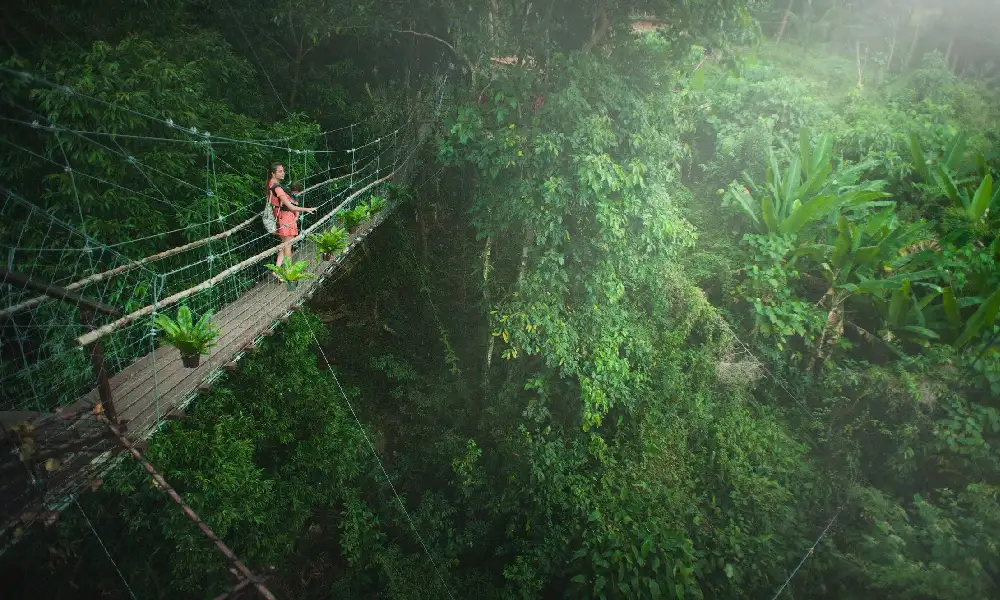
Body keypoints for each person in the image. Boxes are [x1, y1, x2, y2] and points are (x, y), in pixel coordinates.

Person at [266, 163, 316, 276]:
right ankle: (289, 273)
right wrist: (306, 209)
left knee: (284, 245)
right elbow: (291, 206)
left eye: (283, 171)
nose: (283, 173)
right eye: (280, 171)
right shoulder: (277, 188)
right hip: (286, 218)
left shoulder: (270, 185)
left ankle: (277, 270)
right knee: (288, 246)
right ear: (273, 173)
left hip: (280, 217)